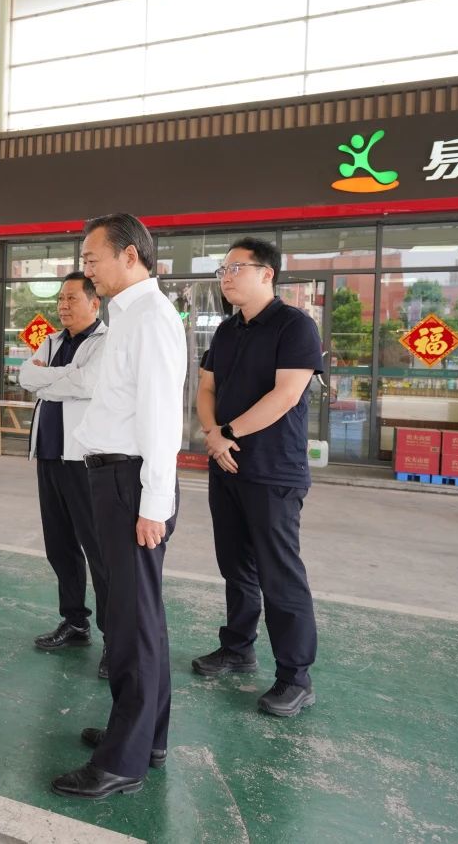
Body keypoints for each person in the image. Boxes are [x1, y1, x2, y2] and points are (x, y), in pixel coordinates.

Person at [51, 213, 186, 800]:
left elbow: (161, 419)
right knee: (139, 618)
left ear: (130, 255)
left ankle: (123, 762)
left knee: (131, 624)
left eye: (92, 259)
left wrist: (153, 503)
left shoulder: (150, 317)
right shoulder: (128, 315)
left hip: (132, 484)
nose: (86, 270)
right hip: (115, 479)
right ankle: (145, 735)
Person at [192, 236, 322, 717]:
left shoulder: (295, 326)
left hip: (273, 470)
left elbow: (286, 394)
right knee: (235, 566)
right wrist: (214, 435)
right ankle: (237, 647)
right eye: (222, 270)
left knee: (279, 573)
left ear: (267, 274)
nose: (226, 277)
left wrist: (226, 433)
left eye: (235, 268)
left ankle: (295, 677)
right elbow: (206, 387)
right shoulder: (227, 331)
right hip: (226, 466)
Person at [19, 272, 110, 673]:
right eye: (60, 299)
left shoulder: (105, 342)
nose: (63, 306)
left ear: (94, 302)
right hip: (49, 455)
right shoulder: (51, 340)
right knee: (60, 546)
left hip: (83, 460)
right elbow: (25, 377)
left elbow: (88, 383)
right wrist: (62, 378)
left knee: (99, 550)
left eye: (72, 298)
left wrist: (48, 381)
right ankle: (75, 622)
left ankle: (115, 639)